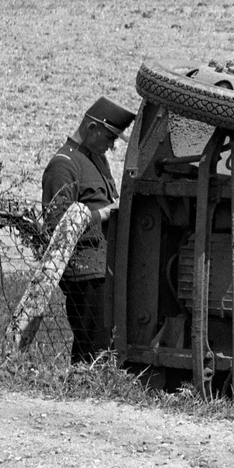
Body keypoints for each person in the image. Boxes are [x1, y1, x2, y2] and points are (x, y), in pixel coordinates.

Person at [42, 96, 136, 363]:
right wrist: (103, 214)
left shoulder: (95, 159)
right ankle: (81, 391)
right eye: (108, 137)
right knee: (91, 345)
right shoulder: (63, 164)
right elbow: (55, 224)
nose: (111, 145)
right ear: (92, 128)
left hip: (103, 267)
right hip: (83, 270)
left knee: (105, 343)